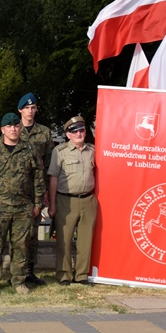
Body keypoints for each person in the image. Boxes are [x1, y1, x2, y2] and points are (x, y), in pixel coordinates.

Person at [0, 112, 45, 296]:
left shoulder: (29, 150)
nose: (13, 129)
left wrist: (38, 203)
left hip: (23, 207)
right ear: (2, 130)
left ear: (20, 128)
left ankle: (19, 280)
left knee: (21, 245)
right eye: (9, 126)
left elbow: (38, 179)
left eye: (16, 126)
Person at [47, 116, 96, 286]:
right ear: (67, 135)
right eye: (74, 131)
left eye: (81, 130)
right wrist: (52, 205)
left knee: (86, 241)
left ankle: (82, 274)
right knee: (64, 240)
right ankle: (64, 274)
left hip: (88, 200)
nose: (79, 134)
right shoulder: (60, 152)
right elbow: (53, 178)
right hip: (65, 201)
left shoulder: (93, 151)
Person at [18, 92, 54, 286]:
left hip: (36, 189)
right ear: (20, 110)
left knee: (33, 233)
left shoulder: (44, 132)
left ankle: (30, 271)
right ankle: (18, 271)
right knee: (17, 233)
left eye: (33, 108)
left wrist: (47, 190)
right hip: (17, 189)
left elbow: (49, 163)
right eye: (27, 108)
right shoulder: (13, 130)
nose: (30, 111)